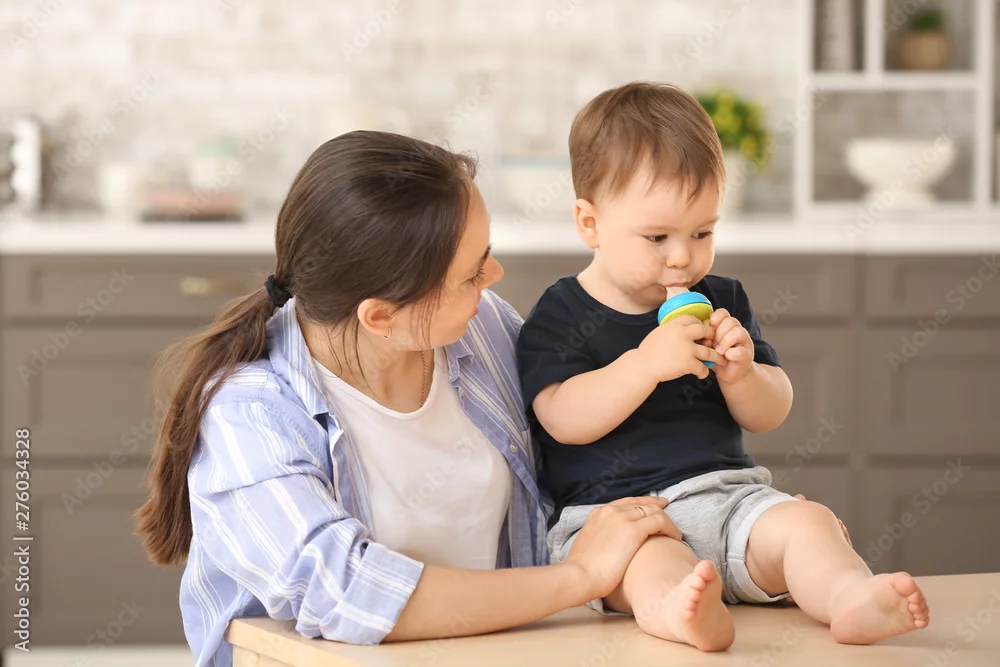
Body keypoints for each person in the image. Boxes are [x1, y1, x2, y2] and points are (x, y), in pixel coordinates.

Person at [134, 130, 681, 667]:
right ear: (380, 317)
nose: (494, 276)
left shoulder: (481, 329)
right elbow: (346, 592)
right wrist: (580, 577)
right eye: (472, 273)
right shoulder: (250, 414)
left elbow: (576, 456)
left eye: (487, 253)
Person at [515, 81, 930, 652]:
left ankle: (849, 597)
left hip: (731, 499)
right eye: (657, 236)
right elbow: (561, 419)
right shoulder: (561, 312)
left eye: (703, 232)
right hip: (622, 519)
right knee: (648, 565)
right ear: (590, 223)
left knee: (806, 524)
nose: (683, 256)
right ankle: (680, 612)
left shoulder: (721, 299)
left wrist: (744, 375)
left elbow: (770, 412)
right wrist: (643, 364)